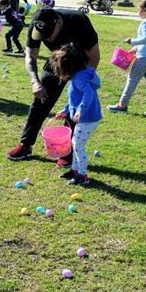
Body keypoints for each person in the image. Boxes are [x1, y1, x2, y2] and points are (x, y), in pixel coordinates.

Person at [6, 6, 100, 164]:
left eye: (49, 35)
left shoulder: (79, 22)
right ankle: (26, 144)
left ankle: (67, 151)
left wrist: (84, 80)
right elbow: (30, 56)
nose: (46, 39)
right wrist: (35, 82)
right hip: (58, 59)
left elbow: (94, 56)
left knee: (76, 103)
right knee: (41, 99)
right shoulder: (37, 24)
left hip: (81, 61)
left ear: (58, 23)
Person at [107, 0, 146, 118]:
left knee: (131, 81)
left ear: (145, 10)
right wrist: (135, 49)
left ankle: (122, 105)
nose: (138, 12)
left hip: (144, 59)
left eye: (139, 9)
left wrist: (132, 41)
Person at [52, 42, 102, 185]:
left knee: (78, 146)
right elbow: (75, 97)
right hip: (84, 117)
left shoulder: (80, 78)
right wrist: (66, 109)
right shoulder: (79, 75)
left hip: (87, 118)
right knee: (75, 144)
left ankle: (82, 175)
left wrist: (80, 110)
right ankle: (75, 170)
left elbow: (88, 94)